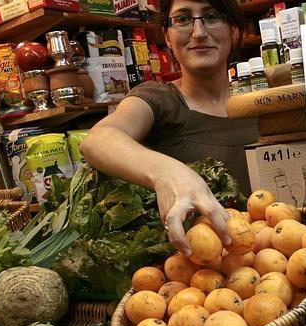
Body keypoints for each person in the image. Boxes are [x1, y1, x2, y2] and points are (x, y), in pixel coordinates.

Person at [79, 0, 259, 257]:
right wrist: (166, 172)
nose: (198, 32)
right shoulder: (158, 99)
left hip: (276, 258)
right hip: (197, 272)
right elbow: (97, 139)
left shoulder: (263, 100)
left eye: (212, 16)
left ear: (234, 30)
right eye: (183, 19)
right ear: (168, 36)